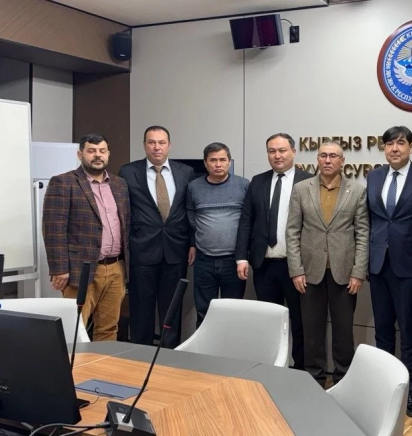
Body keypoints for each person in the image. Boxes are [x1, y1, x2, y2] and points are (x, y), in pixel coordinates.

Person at [366, 126, 412, 418]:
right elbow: (371, 221)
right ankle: (384, 389)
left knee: (408, 332)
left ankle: (409, 393)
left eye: (400, 143)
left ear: (410, 147)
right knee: (382, 331)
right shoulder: (374, 176)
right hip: (378, 266)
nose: (394, 148)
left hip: (410, 268)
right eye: (389, 144)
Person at [286, 140, 369, 385]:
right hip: (309, 273)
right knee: (312, 331)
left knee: (343, 332)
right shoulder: (302, 189)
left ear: (342, 161)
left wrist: (358, 272)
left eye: (333, 156)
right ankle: (314, 380)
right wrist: (296, 270)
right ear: (317, 159)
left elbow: (362, 234)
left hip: (344, 274)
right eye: (323, 155)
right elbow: (292, 231)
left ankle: (343, 380)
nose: (328, 160)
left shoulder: (357, 190)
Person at [43, 134, 130, 341]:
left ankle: (103, 363)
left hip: (116, 268)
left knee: (109, 328)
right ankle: (74, 364)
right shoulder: (63, 182)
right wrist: (59, 269)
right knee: (75, 330)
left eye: (102, 151)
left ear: (108, 154)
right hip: (80, 269)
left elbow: (126, 224)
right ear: (80, 154)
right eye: (91, 151)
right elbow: (53, 228)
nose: (97, 155)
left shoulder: (119, 184)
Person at [236, 133, 312, 369]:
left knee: (300, 322)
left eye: (282, 150)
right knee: (269, 323)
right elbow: (246, 221)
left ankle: (300, 370)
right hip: (264, 264)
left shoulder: (309, 181)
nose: (277, 155)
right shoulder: (258, 181)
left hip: (296, 267)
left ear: (294, 152)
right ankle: (272, 369)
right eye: (272, 151)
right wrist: (241, 257)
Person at [119, 125, 196, 348]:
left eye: (161, 142)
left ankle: (169, 355)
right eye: (151, 142)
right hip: (141, 251)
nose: (156, 147)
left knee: (171, 310)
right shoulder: (128, 172)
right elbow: (122, 212)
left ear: (169, 145)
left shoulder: (186, 172)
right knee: (141, 309)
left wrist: (192, 243)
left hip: (176, 251)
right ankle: (139, 355)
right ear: (144, 145)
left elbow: (190, 210)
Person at [187, 142, 249, 327]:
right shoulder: (194, 187)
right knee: (204, 313)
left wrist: (244, 256)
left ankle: (230, 346)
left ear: (229, 161)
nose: (218, 164)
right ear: (205, 163)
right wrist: (193, 243)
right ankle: (205, 346)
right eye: (213, 160)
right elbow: (191, 219)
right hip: (204, 260)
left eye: (222, 159)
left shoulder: (243, 185)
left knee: (233, 312)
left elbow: (249, 221)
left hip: (233, 261)